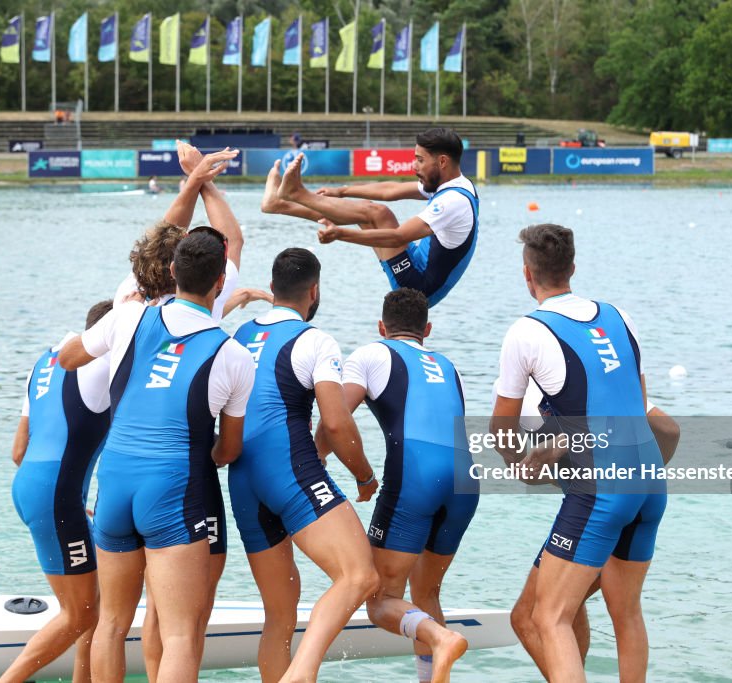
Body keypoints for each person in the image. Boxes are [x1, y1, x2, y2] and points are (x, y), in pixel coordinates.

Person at [59, 230, 256, 683]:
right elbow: (228, 450)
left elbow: (69, 358)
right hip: (171, 490)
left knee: (111, 624)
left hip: (114, 483)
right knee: (180, 636)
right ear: (220, 281)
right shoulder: (233, 354)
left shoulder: (127, 315)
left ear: (171, 271)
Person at [491, 223, 668, 683]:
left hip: (601, 492)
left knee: (548, 618)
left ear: (526, 274)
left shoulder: (526, 332)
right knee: (626, 614)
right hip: (650, 481)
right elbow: (636, 409)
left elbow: (501, 430)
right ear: (572, 267)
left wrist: (524, 467)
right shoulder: (619, 316)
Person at [228, 247, 380, 683]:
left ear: (272, 287)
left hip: (242, 480)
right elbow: (336, 422)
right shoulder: (314, 340)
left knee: (279, 614)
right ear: (314, 291)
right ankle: (302, 673)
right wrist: (364, 476)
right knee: (358, 576)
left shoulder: (239, 335)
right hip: (290, 471)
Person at [325, 287, 479, 683]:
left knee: (381, 599)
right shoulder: (449, 366)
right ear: (427, 329)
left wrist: (319, 457)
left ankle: (442, 638)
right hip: (465, 482)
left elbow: (335, 417)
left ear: (382, 327)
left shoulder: (371, 353)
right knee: (426, 594)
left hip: (416, 478)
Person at [501, 381, 680, 681]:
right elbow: (668, 432)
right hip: (632, 503)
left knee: (530, 618)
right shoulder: (599, 376)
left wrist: (562, 455)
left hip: (593, 513)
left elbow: (522, 468)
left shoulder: (520, 386)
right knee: (606, 612)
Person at [1, 300, 114, 683]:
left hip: (33, 486)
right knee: (79, 613)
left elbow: (19, 451)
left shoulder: (42, 364)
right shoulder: (102, 362)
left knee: (92, 602)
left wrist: (67, 498)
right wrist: (64, 496)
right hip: (56, 493)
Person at [261, 128, 479, 308]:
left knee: (375, 214)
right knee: (371, 211)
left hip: (418, 288)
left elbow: (397, 237)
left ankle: (295, 195)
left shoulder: (453, 201)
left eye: (420, 160)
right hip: (417, 262)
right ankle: (279, 203)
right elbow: (390, 190)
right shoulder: (453, 182)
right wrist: (342, 191)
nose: (414, 166)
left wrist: (340, 234)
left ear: (442, 162)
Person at [114, 144, 269, 321]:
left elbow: (163, 239)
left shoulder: (128, 303)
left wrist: (197, 176)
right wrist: (198, 175)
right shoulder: (206, 303)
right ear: (219, 282)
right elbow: (233, 240)